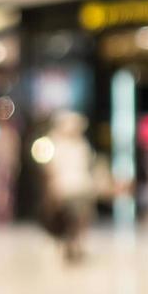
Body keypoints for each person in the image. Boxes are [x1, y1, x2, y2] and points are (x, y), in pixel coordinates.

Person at [42, 111, 95, 263]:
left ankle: (77, 245)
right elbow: (51, 169)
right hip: (64, 188)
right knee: (68, 219)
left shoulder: (81, 144)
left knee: (82, 218)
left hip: (82, 186)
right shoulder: (56, 144)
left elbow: (86, 165)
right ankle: (69, 245)